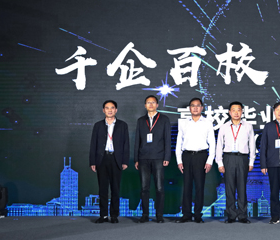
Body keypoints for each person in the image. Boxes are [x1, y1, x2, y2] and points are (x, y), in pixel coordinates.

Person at [175, 98, 215, 224]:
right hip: (186, 156)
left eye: (198, 105)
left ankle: (198, 214)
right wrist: (179, 160)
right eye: (193, 105)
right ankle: (186, 214)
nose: (195, 108)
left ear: (202, 108)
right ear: (189, 108)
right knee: (186, 186)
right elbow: (179, 142)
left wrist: (209, 160)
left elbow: (212, 143)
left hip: (201, 156)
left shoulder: (207, 123)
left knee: (199, 186)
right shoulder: (183, 123)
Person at [89, 100, 129, 224]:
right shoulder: (98, 125)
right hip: (102, 159)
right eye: (107, 108)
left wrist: (125, 161)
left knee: (115, 189)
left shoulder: (122, 125)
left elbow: (126, 144)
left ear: (116, 110)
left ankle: (114, 215)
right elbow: (93, 144)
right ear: (103, 110)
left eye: (112, 108)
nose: (110, 110)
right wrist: (92, 161)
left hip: (116, 159)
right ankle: (103, 215)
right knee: (103, 189)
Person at [216, 101, 255, 224]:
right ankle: (231, 215)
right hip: (228, 158)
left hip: (242, 158)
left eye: (239, 110)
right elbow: (219, 146)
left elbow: (252, 144)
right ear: (229, 112)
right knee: (229, 188)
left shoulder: (248, 126)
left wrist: (251, 161)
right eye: (233, 110)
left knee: (242, 188)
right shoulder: (224, 127)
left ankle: (243, 215)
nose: (236, 112)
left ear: (242, 112)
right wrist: (220, 163)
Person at [134, 95, 171, 223]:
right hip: (143, 158)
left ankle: (159, 215)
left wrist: (167, 157)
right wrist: (136, 159)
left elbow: (167, 139)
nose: (151, 104)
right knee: (144, 188)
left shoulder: (164, 119)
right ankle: (145, 214)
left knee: (159, 188)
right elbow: (137, 140)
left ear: (157, 105)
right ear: (145, 105)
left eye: (153, 102)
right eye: (148, 102)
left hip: (159, 157)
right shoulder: (140, 121)